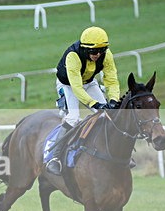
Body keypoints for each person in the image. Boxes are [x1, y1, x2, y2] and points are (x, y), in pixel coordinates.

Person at [46, 26, 121, 175]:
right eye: (93, 51)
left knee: (109, 114)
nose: (98, 54)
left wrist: (113, 100)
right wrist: (95, 104)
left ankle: (113, 153)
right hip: (68, 85)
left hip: (89, 82)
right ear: (85, 49)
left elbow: (111, 80)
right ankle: (54, 158)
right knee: (73, 118)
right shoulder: (73, 56)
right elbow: (77, 88)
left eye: (102, 50)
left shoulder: (106, 55)